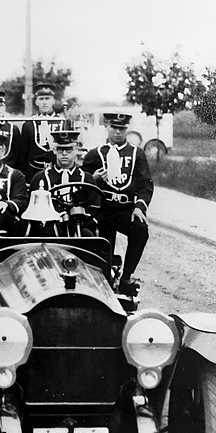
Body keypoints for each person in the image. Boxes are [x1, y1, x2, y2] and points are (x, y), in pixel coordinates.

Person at [81, 113, 153, 297]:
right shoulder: (95, 154)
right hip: (103, 209)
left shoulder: (137, 153)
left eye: (122, 128)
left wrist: (139, 206)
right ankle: (104, 277)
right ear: (107, 126)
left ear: (127, 129)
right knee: (102, 242)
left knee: (140, 229)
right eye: (114, 128)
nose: (118, 132)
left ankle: (126, 277)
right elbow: (81, 181)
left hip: (126, 209)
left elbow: (145, 183)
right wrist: (93, 179)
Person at [29, 130, 100, 237]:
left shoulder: (86, 178)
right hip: (50, 226)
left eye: (69, 149)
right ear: (54, 150)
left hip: (79, 225)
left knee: (88, 237)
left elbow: (94, 208)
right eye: (60, 149)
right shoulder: (41, 178)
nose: (64, 154)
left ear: (76, 150)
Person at [19, 83, 67, 183]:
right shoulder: (29, 124)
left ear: (53, 100)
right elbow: (23, 154)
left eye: (47, 98)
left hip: (57, 171)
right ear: (36, 102)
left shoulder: (63, 122)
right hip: (34, 171)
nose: (44, 102)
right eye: (41, 99)